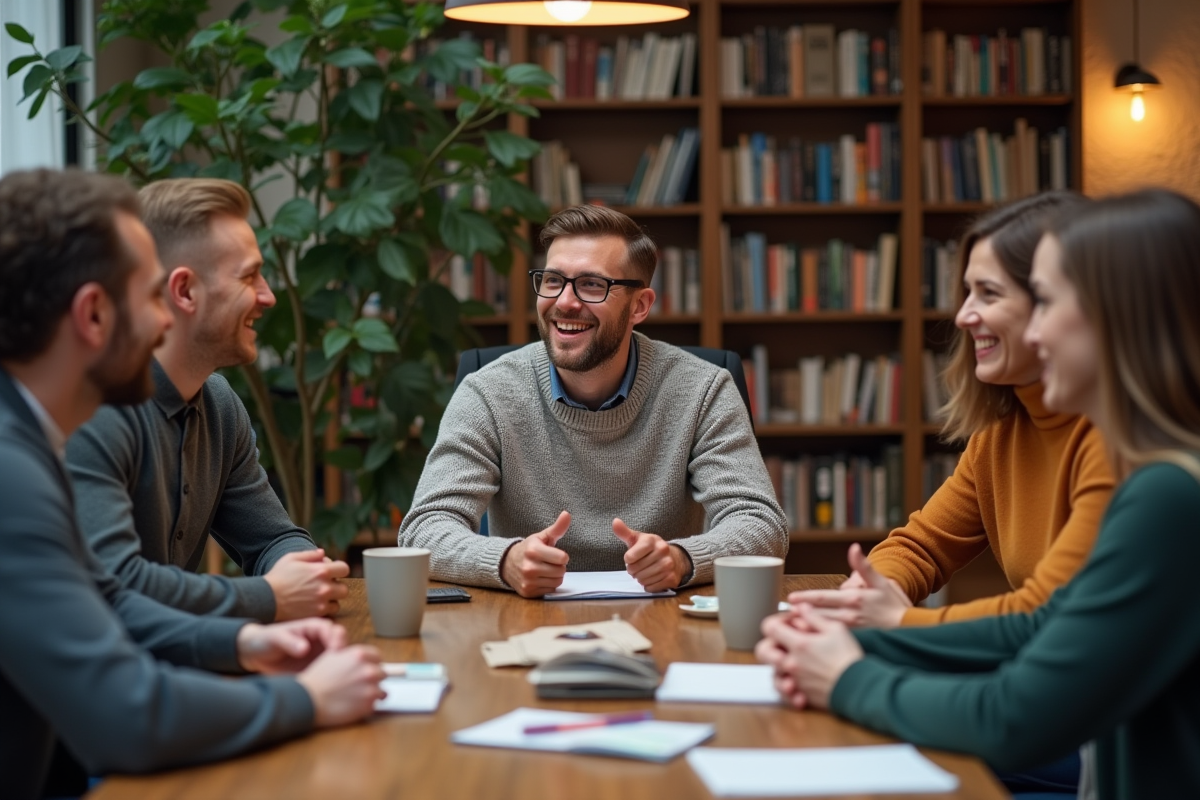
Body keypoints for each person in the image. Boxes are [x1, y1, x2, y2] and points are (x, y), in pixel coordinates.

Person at [757, 188, 1200, 798]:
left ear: (1118, 315)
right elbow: (1042, 622)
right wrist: (869, 628)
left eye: (1041, 301)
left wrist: (850, 672)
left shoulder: (1165, 491)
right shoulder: (1147, 472)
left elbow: (1015, 714)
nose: (966, 319)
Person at [0, 169, 386, 799]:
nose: (162, 324)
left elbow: (108, 601)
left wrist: (245, 641)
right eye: (149, 297)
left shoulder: (30, 439)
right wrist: (302, 700)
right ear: (94, 315)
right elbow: (122, 713)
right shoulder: (11, 469)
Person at [398, 204, 788, 597]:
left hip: (663, 621)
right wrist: (505, 561)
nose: (565, 302)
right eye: (553, 281)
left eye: (591, 285)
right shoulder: (488, 392)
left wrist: (683, 559)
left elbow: (760, 523)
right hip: (525, 621)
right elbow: (423, 529)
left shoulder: (703, 390)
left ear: (639, 306)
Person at [790, 191, 1113, 629]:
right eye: (966, 292)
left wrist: (899, 621)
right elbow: (923, 546)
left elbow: (1049, 612)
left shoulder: (1115, 439)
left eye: (989, 294)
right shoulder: (1000, 434)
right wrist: (867, 593)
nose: (962, 316)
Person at [66, 178, 348, 623]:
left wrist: (303, 570)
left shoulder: (217, 402)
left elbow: (271, 538)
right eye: (249, 276)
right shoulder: (94, 409)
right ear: (184, 292)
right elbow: (117, 587)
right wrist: (268, 598)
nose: (268, 296)